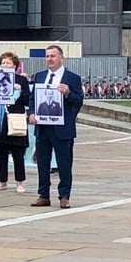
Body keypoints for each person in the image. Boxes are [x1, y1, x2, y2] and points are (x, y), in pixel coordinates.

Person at [28, 45, 83, 209]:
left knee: (64, 164)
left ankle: (64, 196)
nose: (49, 59)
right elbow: (32, 100)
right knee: (42, 163)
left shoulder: (72, 78)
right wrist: (31, 113)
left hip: (62, 128)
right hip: (43, 127)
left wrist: (67, 93)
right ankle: (43, 194)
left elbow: (79, 101)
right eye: (47, 56)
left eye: (53, 56)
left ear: (61, 58)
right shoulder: (39, 76)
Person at [0, 52, 30, 194]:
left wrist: (19, 90)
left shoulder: (21, 80)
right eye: (3, 63)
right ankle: (2, 181)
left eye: (8, 63)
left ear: (15, 65)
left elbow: (27, 99)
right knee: (1, 152)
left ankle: (19, 182)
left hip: (15, 118)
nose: (5, 65)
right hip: (0, 116)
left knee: (18, 152)